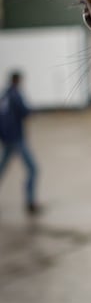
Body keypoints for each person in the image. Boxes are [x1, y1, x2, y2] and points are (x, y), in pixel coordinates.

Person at [0, 70, 41, 215]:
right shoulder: (16, 95)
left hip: (6, 139)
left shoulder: (4, 95)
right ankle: (30, 202)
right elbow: (25, 111)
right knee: (33, 169)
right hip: (16, 138)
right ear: (17, 81)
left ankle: (30, 202)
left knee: (2, 168)